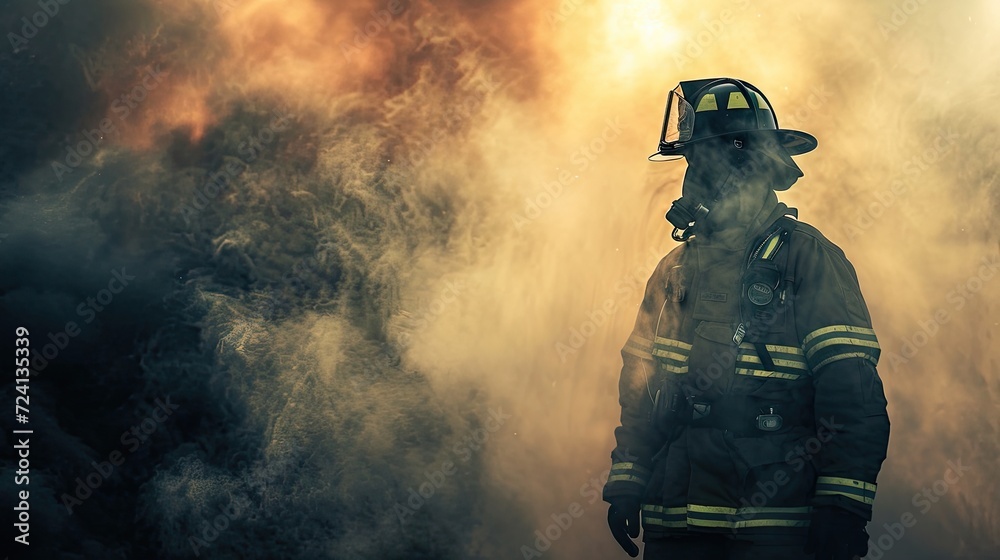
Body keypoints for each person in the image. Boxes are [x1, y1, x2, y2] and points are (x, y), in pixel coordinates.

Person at [602, 78, 890, 560]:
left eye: (705, 160)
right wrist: (627, 480)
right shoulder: (675, 270)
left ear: (750, 162)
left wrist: (842, 507)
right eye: (692, 162)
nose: (694, 176)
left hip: (772, 528)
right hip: (675, 524)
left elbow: (853, 396)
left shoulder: (808, 259)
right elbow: (640, 389)